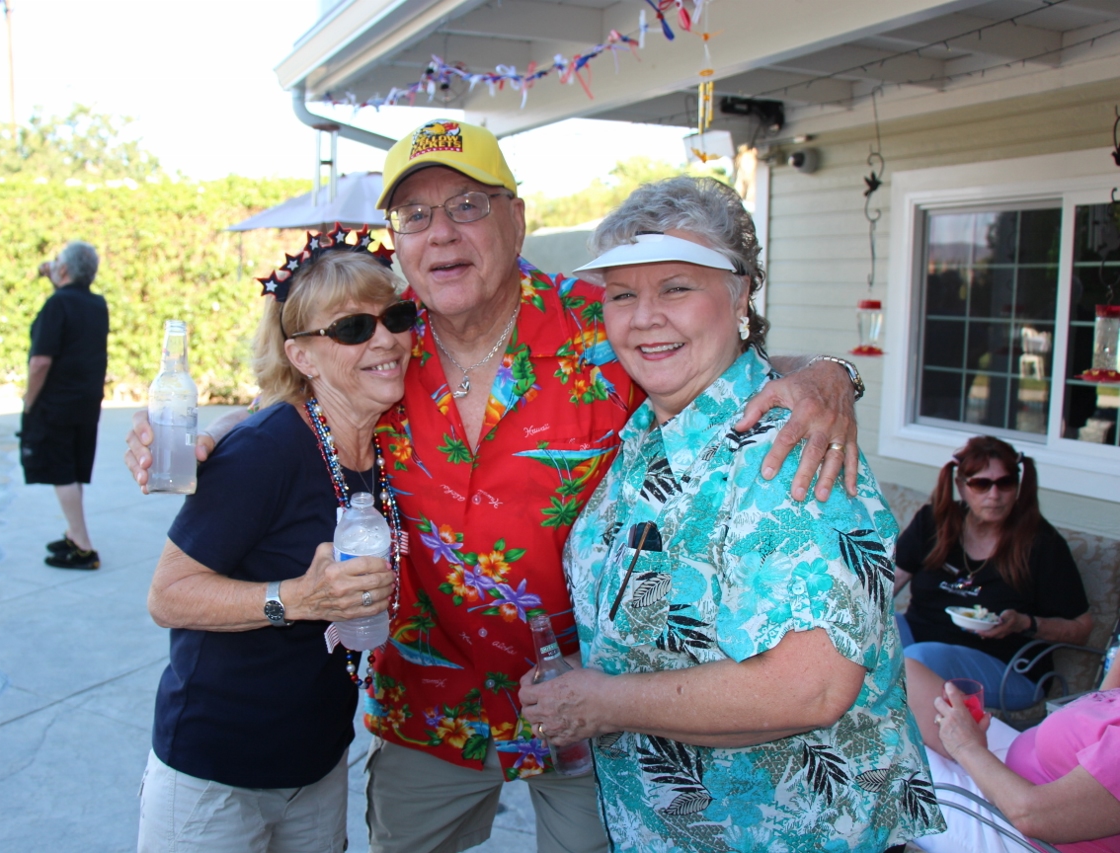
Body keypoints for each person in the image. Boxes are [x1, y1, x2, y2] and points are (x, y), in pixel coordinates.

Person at [124, 120, 866, 853]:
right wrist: (212, 435)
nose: (441, 233)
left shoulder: (602, 324)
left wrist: (829, 373)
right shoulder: (383, 346)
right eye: (416, 215)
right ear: (399, 238)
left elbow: (714, 357)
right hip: (428, 701)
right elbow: (301, 404)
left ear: (516, 218)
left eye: (468, 206)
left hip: (592, 698)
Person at [519, 176, 944, 852]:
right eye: (623, 293)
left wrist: (602, 700)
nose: (645, 315)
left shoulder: (788, 443)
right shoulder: (646, 436)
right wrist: (581, 671)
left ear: (741, 295)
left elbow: (811, 687)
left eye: (677, 287)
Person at [137, 232, 403, 852]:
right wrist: (297, 598)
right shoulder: (264, 449)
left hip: (316, 760)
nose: (385, 339)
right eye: (352, 329)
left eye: (396, 317)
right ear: (303, 357)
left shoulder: (390, 436)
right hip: (215, 772)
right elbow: (168, 597)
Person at [894, 435, 1094, 711]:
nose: (994, 495)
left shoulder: (1042, 544)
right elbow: (887, 584)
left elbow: (1082, 629)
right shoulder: (934, 522)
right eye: (981, 484)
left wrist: (1025, 623)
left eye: (1005, 483)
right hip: (920, 636)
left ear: (1017, 486)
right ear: (961, 487)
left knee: (917, 660)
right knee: (860, 632)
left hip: (1005, 667)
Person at [906, 657, 1120, 852]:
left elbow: (1032, 816)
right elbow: (1103, 702)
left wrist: (965, 746)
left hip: (1025, 832)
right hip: (1028, 768)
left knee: (881, 743)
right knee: (904, 671)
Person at [22, 240, 109, 570]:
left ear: (63, 269)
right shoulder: (96, 304)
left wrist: (30, 402)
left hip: (56, 403)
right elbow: (71, 298)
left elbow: (40, 362)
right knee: (72, 471)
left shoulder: (57, 304)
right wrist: (57, 277)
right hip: (86, 402)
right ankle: (75, 533)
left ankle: (84, 547)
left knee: (61, 471)